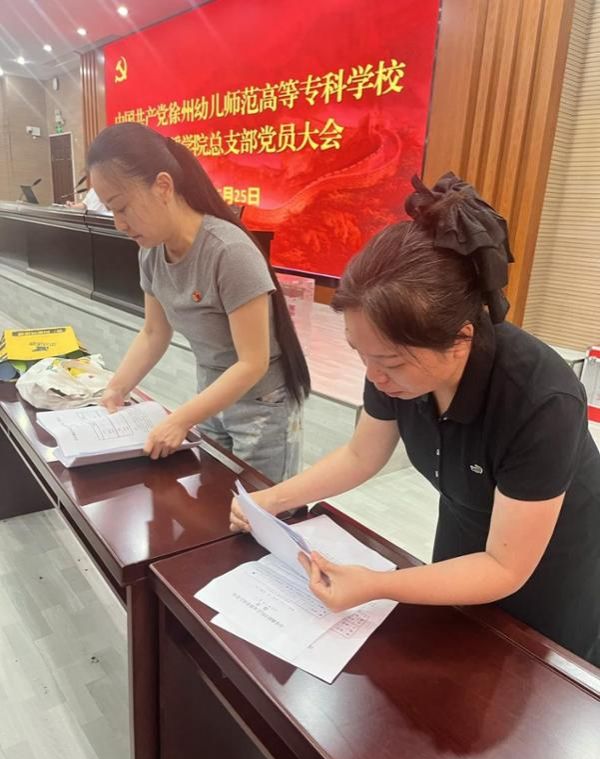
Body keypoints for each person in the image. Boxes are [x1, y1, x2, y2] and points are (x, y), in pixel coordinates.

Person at [230, 173, 600, 667]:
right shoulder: (395, 366)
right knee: (448, 659)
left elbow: (505, 567)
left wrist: (377, 585)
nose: (374, 376)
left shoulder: (539, 399)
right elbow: (361, 454)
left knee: (524, 680)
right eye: (360, 353)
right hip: (467, 528)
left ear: (461, 339)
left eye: (390, 362)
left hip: (549, 561)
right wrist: (272, 500)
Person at [87, 122, 310, 482]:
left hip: (262, 406)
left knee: (260, 503)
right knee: (214, 497)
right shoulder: (151, 253)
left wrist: (180, 419)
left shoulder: (228, 252)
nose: (119, 224)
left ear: (163, 186)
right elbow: (153, 333)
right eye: (111, 211)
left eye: (122, 207)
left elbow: (252, 362)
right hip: (211, 392)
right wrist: (116, 389)